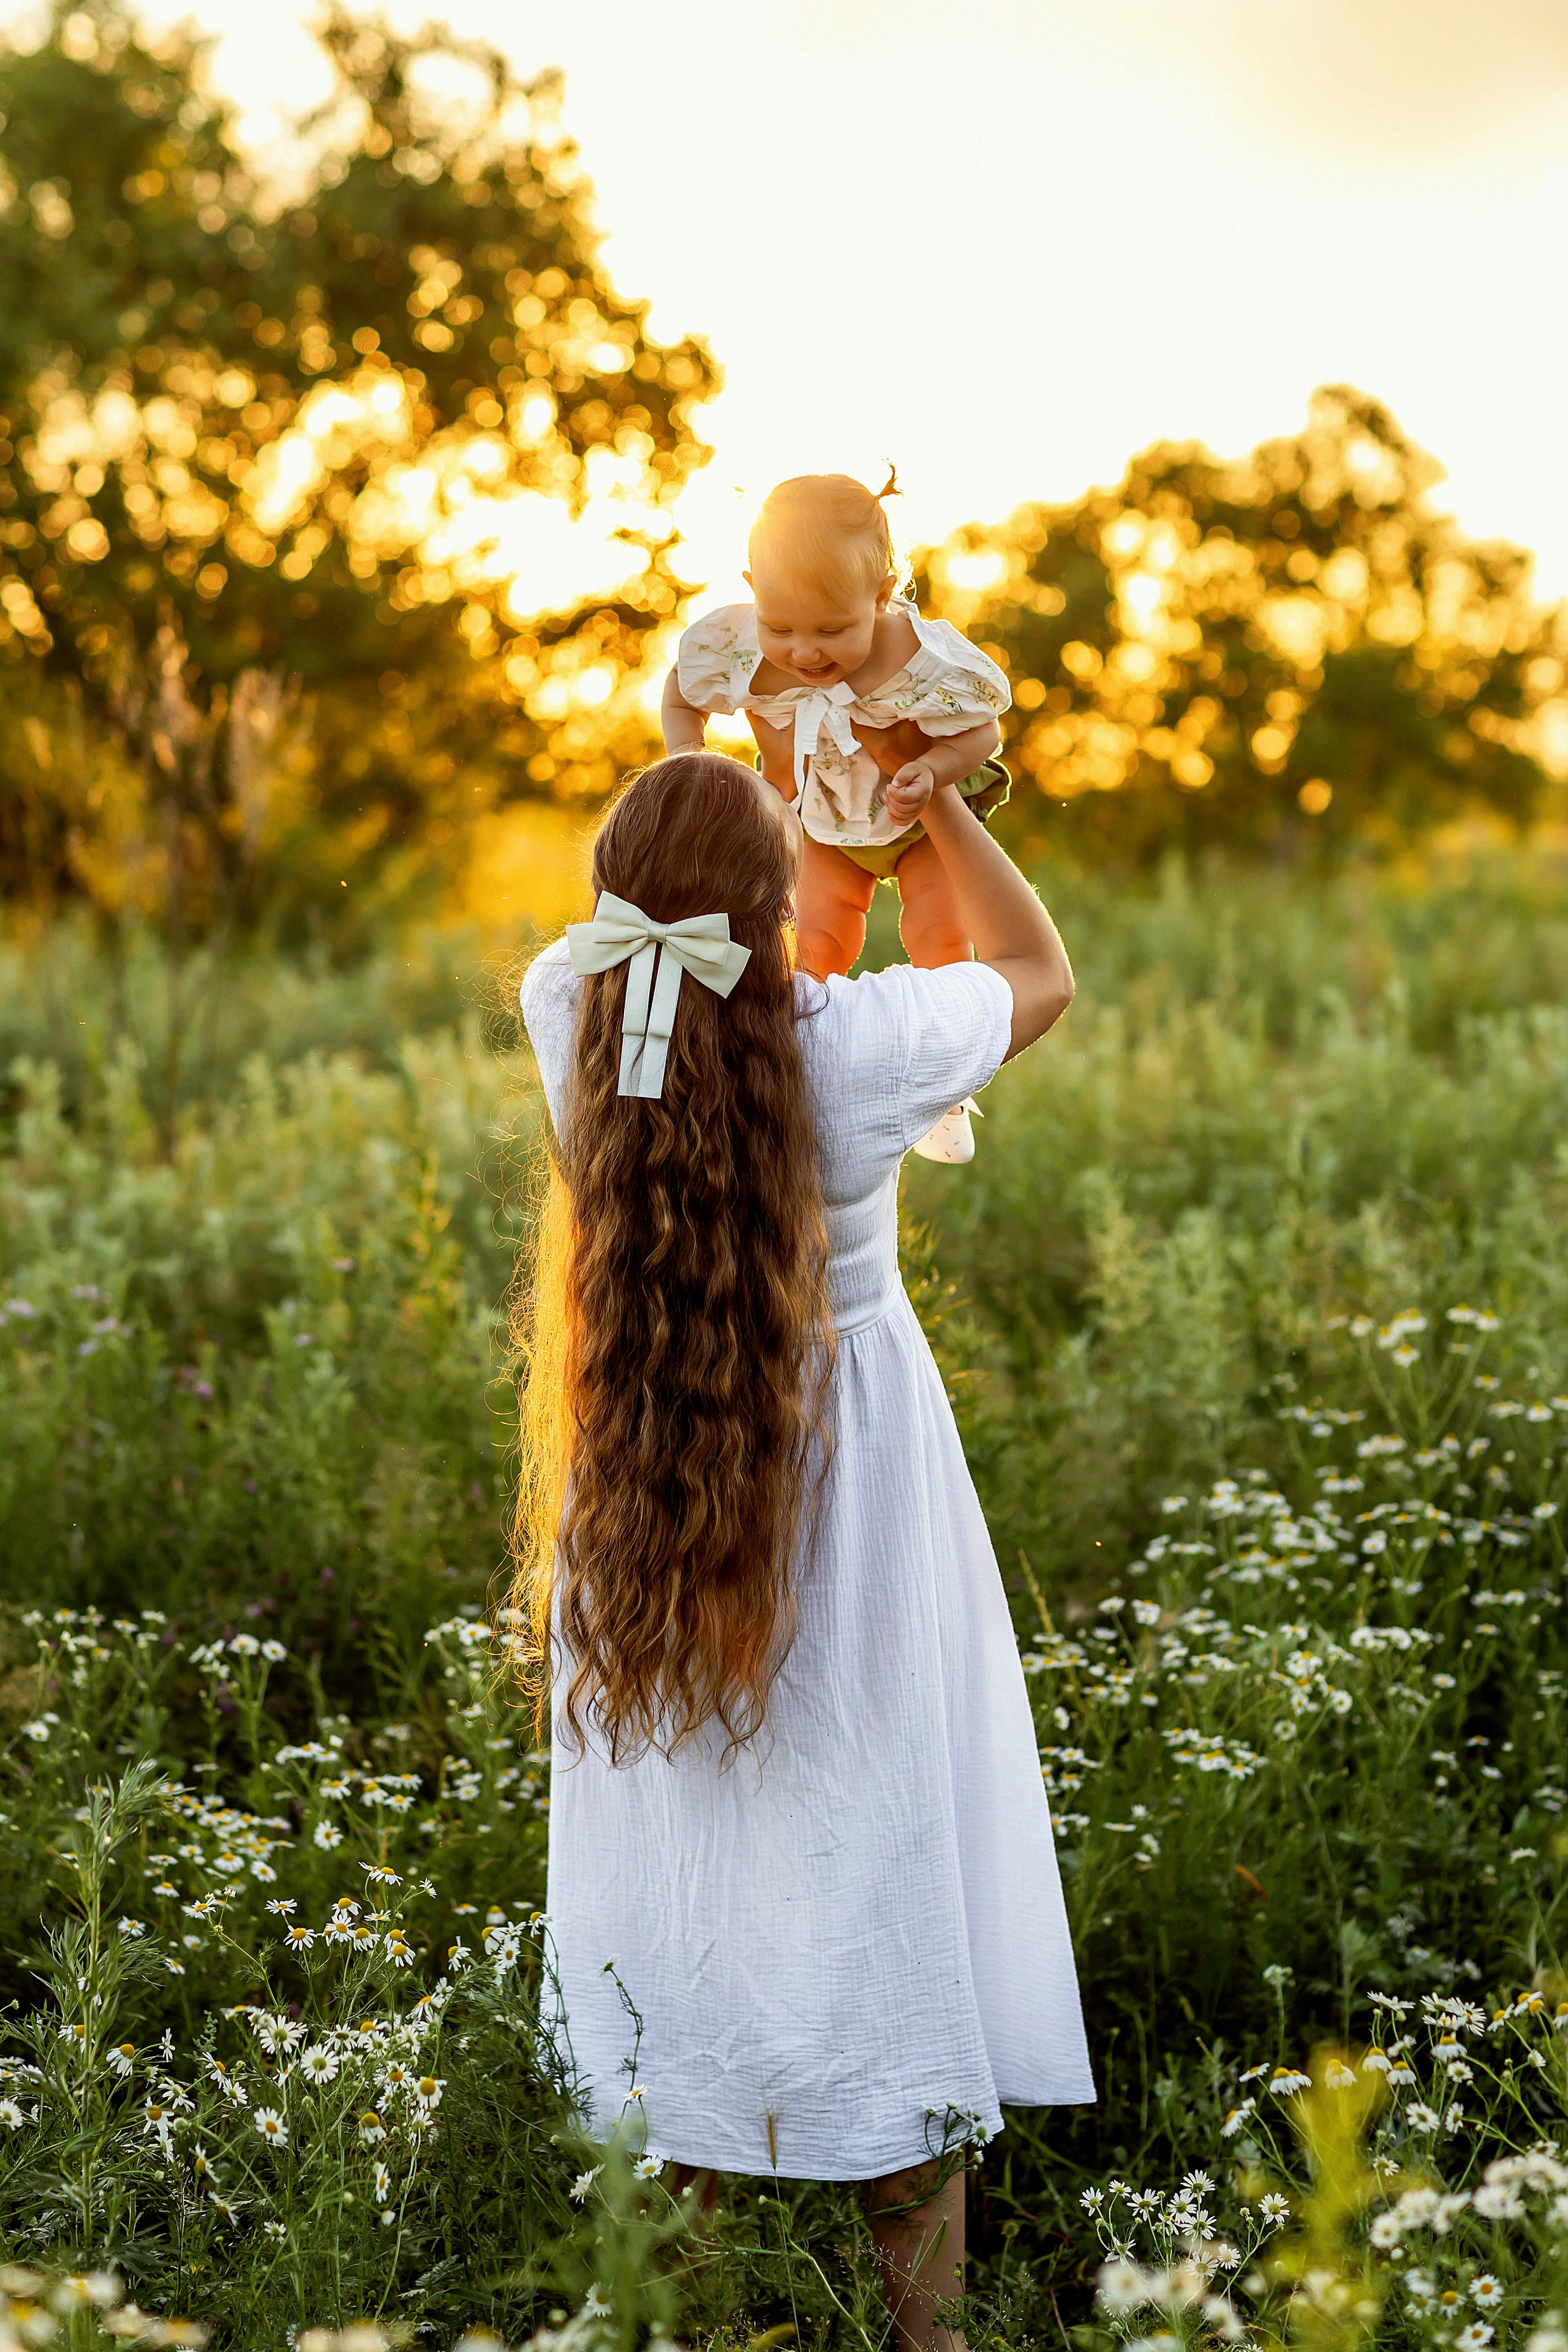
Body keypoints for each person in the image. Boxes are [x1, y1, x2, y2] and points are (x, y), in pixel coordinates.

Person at [515, 752, 1093, 2352]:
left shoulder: (571, 1008)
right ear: (777, 911)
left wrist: (701, 748)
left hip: (648, 1487)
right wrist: (933, 814)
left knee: (679, 1854)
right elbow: (1035, 972)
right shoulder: (858, 1048)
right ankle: (932, 2332)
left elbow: (638, 962)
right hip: (857, 1492)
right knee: (879, 1850)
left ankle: (679, 2305)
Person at [662, 472, 1014, 1164]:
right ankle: (800, 1076)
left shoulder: (925, 660)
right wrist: (687, 760)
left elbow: (984, 732)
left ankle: (945, 1092)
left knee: (939, 932)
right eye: (781, 626)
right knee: (813, 944)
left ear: (881, 596)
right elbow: (680, 695)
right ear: (750, 588)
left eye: (832, 629)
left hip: (916, 823)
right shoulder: (736, 652)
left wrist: (934, 772)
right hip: (820, 826)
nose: (803, 651)